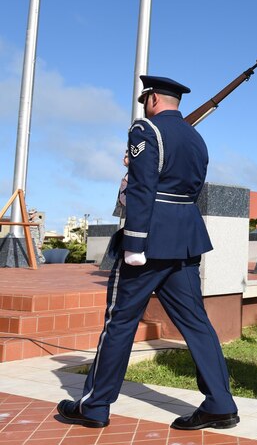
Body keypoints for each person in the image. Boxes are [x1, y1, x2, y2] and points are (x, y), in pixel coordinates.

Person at [57, 76, 238, 430]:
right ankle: (219, 403)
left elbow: (142, 189)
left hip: (150, 238)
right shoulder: (196, 138)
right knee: (196, 322)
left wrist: (135, 242)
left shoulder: (145, 129)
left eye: (145, 100)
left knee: (120, 322)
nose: (144, 106)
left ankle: (95, 406)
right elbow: (185, 186)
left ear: (153, 99)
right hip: (185, 238)